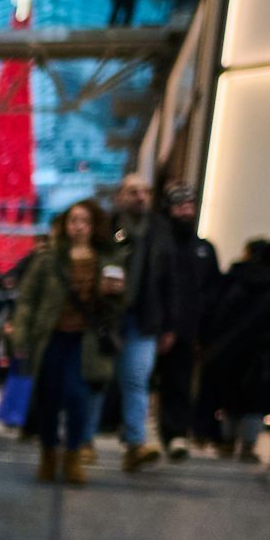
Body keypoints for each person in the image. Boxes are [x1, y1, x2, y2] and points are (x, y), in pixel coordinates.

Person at [13, 199, 125, 484]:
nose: (78, 226)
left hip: (85, 340)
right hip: (51, 336)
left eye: (84, 221)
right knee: (49, 398)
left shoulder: (106, 259)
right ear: (66, 224)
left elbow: (118, 307)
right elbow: (28, 298)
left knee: (77, 397)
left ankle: (74, 455)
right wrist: (21, 335)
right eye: (73, 220)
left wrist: (113, 293)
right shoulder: (49, 259)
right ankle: (49, 455)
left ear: (93, 226)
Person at [87, 175, 174, 471]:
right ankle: (84, 441)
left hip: (144, 319)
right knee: (98, 379)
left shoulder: (160, 231)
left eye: (145, 191)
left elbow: (170, 282)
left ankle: (135, 444)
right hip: (108, 317)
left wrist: (168, 325)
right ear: (120, 196)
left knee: (136, 379)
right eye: (133, 191)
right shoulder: (105, 229)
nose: (140, 197)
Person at [205, 236, 270, 461]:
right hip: (265, 353)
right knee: (255, 403)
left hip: (236, 347)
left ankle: (228, 440)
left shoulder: (243, 278)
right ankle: (248, 446)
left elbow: (225, 309)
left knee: (232, 397)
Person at [156, 184, 220, 461]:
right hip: (155, 327)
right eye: (180, 206)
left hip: (186, 330)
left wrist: (203, 331)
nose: (185, 211)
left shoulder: (203, 249)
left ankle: (175, 434)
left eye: (190, 205)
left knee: (178, 383)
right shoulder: (160, 245)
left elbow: (212, 291)